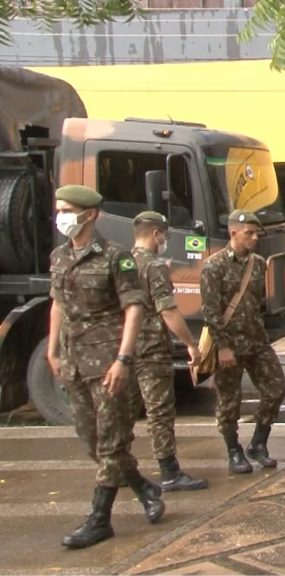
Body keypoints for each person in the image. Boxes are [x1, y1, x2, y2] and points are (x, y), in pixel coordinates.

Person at [47, 185, 164, 549]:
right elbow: (57, 305)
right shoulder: (59, 256)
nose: (62, 216)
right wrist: (52, 350)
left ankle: (99, 520)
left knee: (112, 443)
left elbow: (134, 308)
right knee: (94, 443)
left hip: (108, 365)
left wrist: (123, 359)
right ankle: (145, 488)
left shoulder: (116, 257)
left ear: (90, 214)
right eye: (60, 209)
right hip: (74, 363)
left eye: (69, 209)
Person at [200, 210, 285, 473]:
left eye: (256, 233)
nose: (255, 237)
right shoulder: (214, 266)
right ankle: (233, 451)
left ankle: (258, 443)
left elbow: (258, 302)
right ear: (233, 232)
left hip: (256, 340)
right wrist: (223, 346)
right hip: (229, 344)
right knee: (229, 401)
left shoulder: (259, 263)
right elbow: (211, 311)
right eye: (249, 233)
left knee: (276, 389)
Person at [130, 211, 208, 491]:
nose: (165, 240)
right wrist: (190, 343)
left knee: (123, 413)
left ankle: (120, 470)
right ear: (155, 234)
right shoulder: (155, 266)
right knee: (159, 413)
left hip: (125, 350)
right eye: (165, 235)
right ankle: (169, 472)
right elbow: (169, 311)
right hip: (151, 351)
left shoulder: (121, 263)